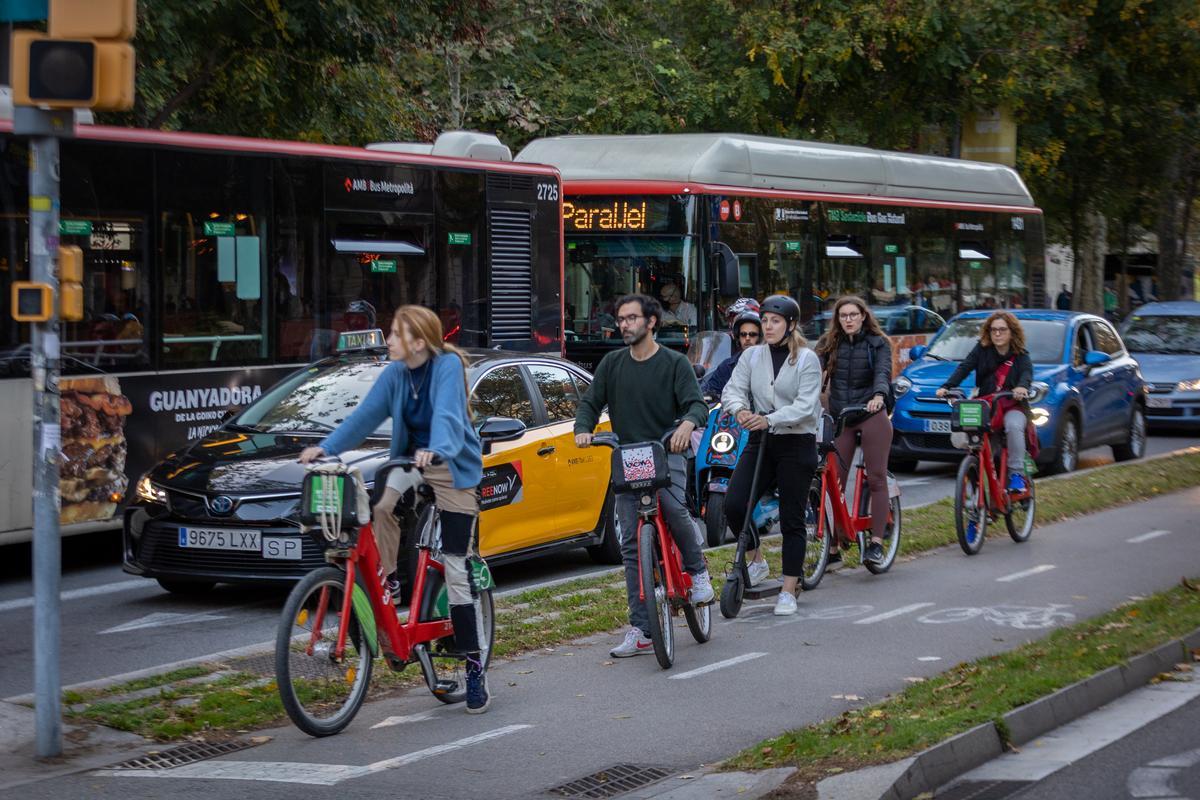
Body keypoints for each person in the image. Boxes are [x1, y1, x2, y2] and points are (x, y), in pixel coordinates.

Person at [298, 305, 491, 713]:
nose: (387, 341)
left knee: (456, 568)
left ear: (419, 342)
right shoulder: (395, 374)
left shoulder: (446, 367)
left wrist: (435, 448)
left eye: (395, 334)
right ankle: (388, 583)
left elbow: (448, 416)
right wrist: (327, 448)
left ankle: (475, 667)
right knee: (380, 506)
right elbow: (365, 417)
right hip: (409, 461)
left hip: (451, 466)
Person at [574, 293, 715, 657]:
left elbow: (697, 404)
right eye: (620, 319)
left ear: (651, 322)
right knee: (630, 544)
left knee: (672, 507)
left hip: (668, 451)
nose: (624, 325)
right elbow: (590, 402)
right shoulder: (611, 364)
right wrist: (584, 428)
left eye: (632, 318)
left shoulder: (673, 363)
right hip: (628, 456)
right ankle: (641, 629)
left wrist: (686, 425)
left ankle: (698, 573)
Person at [721, 295, 822, 615]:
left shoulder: (807, 359)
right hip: (760, 440)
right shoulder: (751, 357)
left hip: (796, 441)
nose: (768, 326)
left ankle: (789, 589)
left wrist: (770, 418)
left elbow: (806, 406)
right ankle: (757, 559)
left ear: (791, 325)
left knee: (792, 518)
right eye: (764, 321)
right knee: (734, 503)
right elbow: (733, 389)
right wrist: (739, 411)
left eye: (775, 321)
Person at [815, 296, 894, 566]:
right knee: (833, 483)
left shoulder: (878, 343)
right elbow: (812, 372)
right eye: (843, 315)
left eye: (853, 314)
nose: (848, 319)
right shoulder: (829, 344)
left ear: (863, 316)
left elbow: (882, 373)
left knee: (876, 478)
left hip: (871, 413)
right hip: (842, 417)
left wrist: (879, 395)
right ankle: (834, 545)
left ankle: (876, 543)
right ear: (837, 319)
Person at [937, 310, 1034, 496]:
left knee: (1013, 426)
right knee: (975, 443)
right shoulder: (981, 350)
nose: (997, 333)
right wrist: (948, 386)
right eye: (993, 330)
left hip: (1012, 406)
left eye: (1002, 330)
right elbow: (965, 367)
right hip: (988, 406)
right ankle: (976, 485)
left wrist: (1021, 387)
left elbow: (1026, 374)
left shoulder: (1021, 355)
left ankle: (1017, 475)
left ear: (1012, 332)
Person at [701, 311, 762, 397]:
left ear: (760, 337)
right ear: (738, 337)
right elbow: (710, 389)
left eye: (752, 335)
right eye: (743, 335)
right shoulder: (727, 366)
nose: (747, 338)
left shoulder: (768, 363)